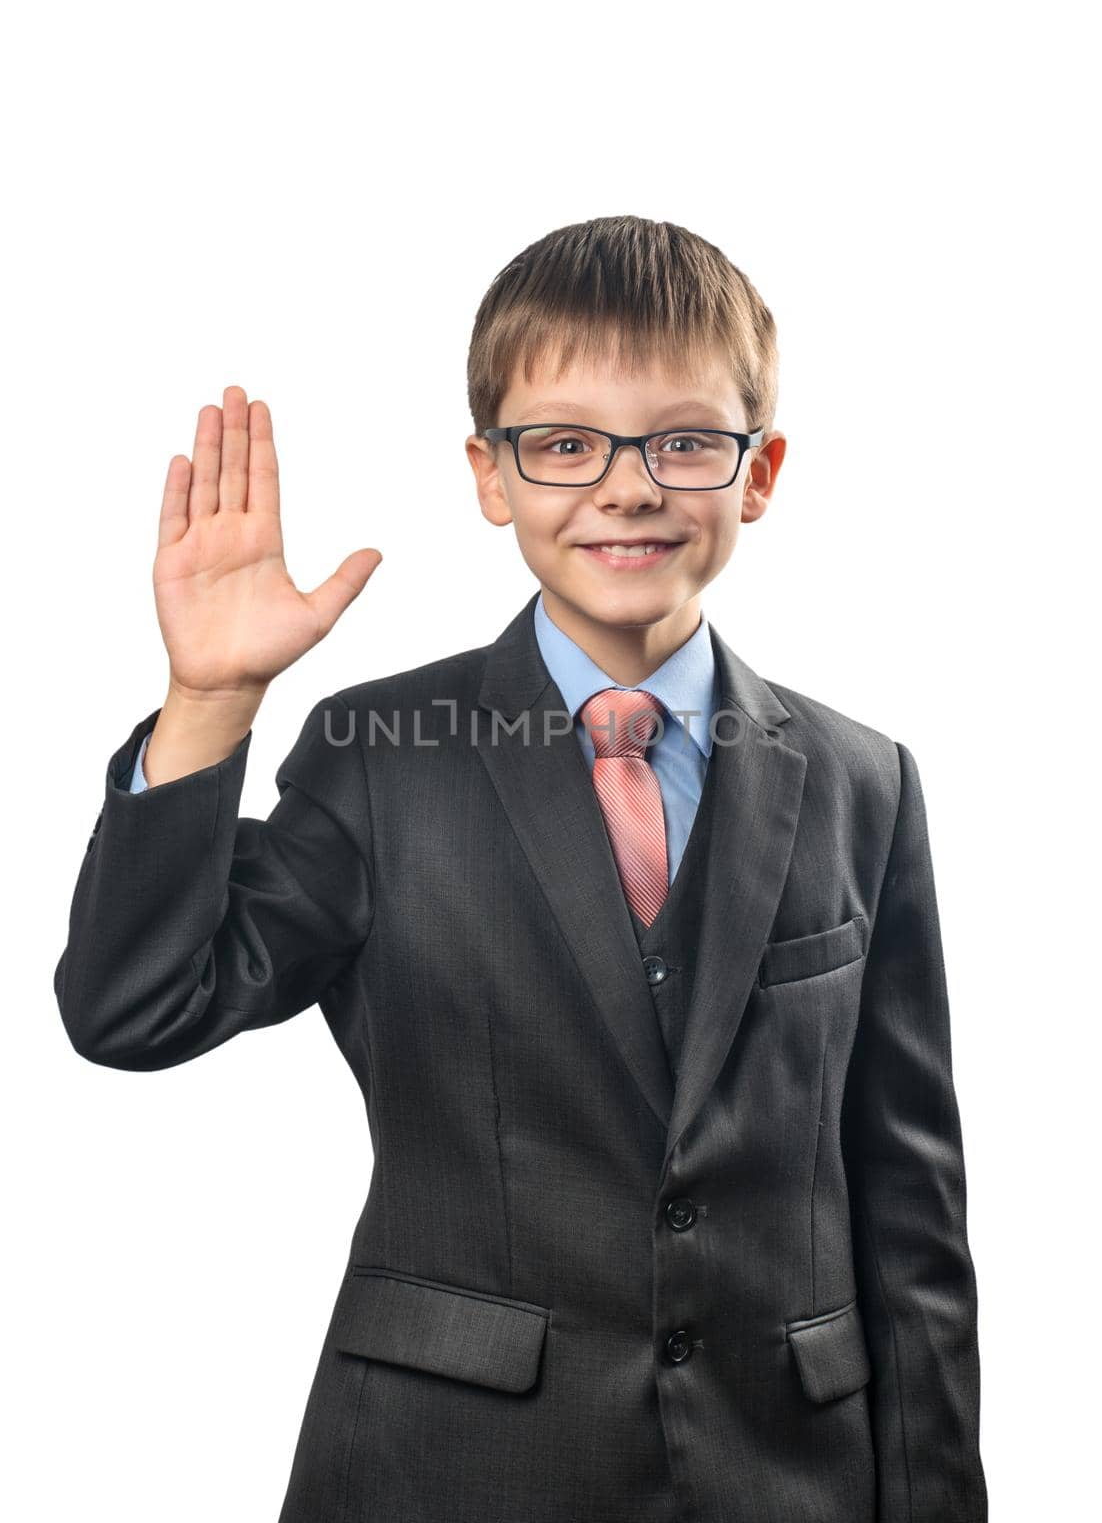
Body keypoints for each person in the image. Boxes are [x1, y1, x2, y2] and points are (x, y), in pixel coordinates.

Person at [54, 214, 987, 1522]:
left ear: (759, 470)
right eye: (561, 444)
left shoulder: (861, 781)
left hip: (785, 1480)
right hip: (450, 1472)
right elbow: (133, 1012)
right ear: (491, 477)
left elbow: (909, 1206)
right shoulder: (382, 758)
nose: (625, 487)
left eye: (682, 441)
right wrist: (207, 702)